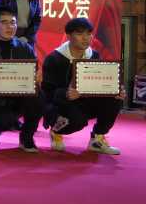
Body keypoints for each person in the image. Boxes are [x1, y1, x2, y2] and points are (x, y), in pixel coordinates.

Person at [41, 17, 125, 154]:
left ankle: (97, 140)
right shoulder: (54, 59)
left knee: (115, 99)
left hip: (86, 101)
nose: (86, 38)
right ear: (69, 36)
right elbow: (47, 93)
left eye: (89, 33)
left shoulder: (94, 55)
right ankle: (56, 131)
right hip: (61, 105)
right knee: (77, 121)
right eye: (80, 34)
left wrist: (115, 89)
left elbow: (99, 83)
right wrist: (66, 93)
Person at [0, 7, 42, 152]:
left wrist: (37, 78)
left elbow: (34, 75)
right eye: (4, 22)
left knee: (40, 98)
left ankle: (26, 138)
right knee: (5, 121)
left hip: (19, 98)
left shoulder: (26, 49)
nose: (9, 27)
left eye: (13, 22)